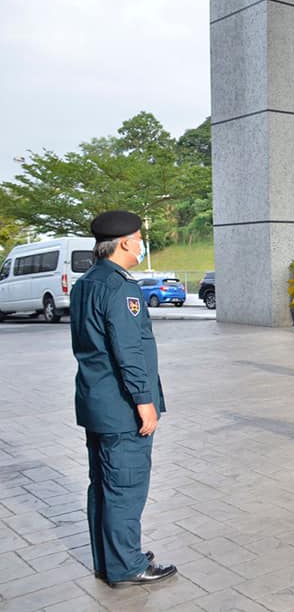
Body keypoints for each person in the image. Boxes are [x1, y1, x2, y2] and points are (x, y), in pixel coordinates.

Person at [70, 210, 177, 586]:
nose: (140, 243)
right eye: (138, 237)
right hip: (121, 408)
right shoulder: (120, 287)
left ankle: (110, 560)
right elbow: (128, 351)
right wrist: (144, 402)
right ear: (126, 243)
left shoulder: (86, 283)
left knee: (102, 485)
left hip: (95, 403)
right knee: (126, 487)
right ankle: (128, 564)